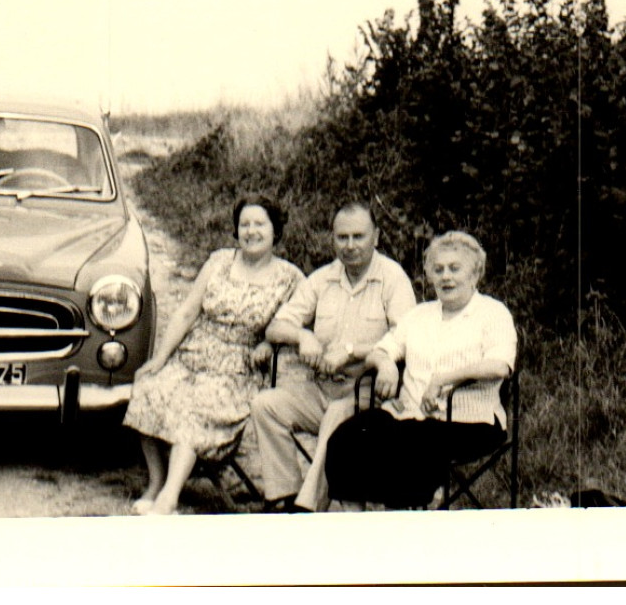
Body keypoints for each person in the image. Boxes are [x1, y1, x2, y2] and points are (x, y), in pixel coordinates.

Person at [123, 195, 302, 515]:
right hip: (193, 354)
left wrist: (270, 346)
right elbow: (188, 311)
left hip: (239, 367)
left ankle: (169, 498)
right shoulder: (219, 261)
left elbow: (297, 323)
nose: (251, 231)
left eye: (259, 223)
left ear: (275, 229)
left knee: (196, 408)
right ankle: (157, 481)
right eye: (244, 224)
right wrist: (161, 358)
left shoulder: (290, 277)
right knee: (149, 387)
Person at [324, 230, 516, 511]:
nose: (445, 277)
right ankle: (356, 523)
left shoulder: (493, 313)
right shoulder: (418, 315)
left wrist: (444, 379)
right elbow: (381, 350)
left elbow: (499, 364)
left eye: (454, 269)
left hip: (469, 422)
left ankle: (405, 518)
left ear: (475, 274)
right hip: (409, 413)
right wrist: (386, 364)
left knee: (410, 446)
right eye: (438, 270)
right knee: (348, 437)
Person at [251, 201, 417, 512]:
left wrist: (353, 351)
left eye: (359, 236)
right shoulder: (322, 279)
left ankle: (308, 507)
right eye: (343, 237)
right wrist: (303, 336)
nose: (350, 246)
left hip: (367, 395)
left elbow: (408, 338)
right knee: (266, 405)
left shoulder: (393, 279)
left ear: (376, 237)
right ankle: (282, 495)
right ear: (333, 239)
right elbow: (276, 327)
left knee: (337, 416)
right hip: (320, 387)